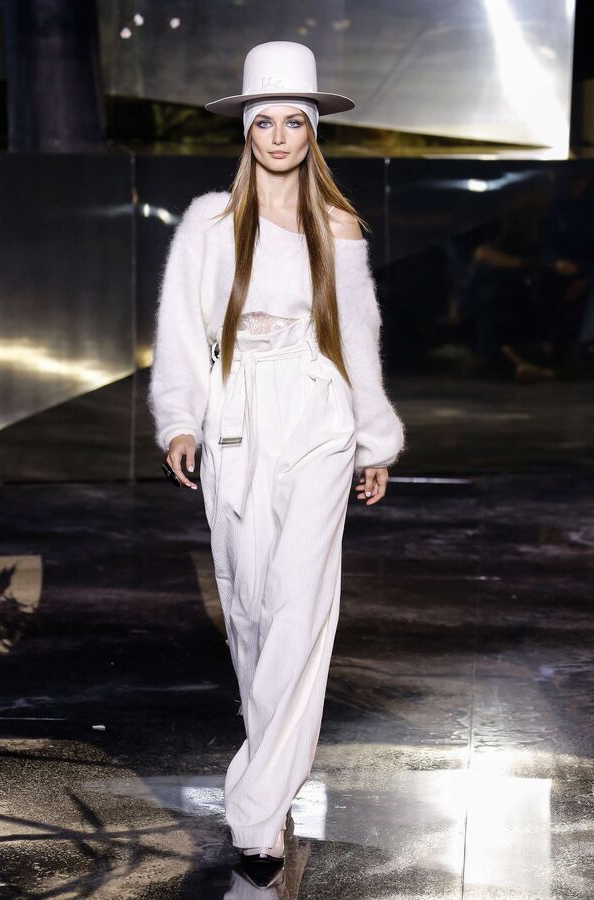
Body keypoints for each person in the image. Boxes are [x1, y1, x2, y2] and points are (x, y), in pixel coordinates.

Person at [148, 40, 405, 888]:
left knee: (300, 607)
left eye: (297, 120)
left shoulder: (340, 226)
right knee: (252, 609)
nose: (282, 135)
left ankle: (258, 813)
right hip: (235, 422)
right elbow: (182, 332)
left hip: (319, 419)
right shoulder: (208, 223)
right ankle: (271, 773)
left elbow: (357, 339)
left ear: (313, 131)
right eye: (268, 121)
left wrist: (373, 438)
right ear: (248, 130)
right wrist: (178, 420)